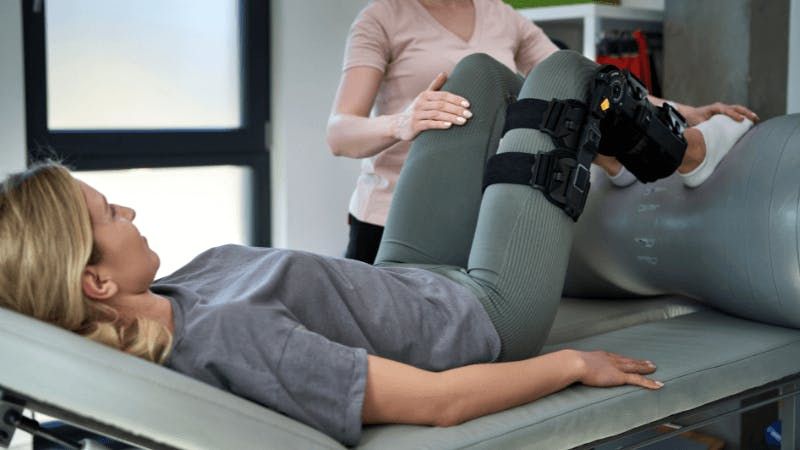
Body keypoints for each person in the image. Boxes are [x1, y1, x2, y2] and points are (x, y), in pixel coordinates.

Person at [327, 0, 759, 264]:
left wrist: (685, 111)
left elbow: (586, 80)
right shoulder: (382, 17)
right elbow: (340, 134)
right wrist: (401, 122)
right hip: (389, 221)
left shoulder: (502, 16)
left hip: (477, 217)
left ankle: (635, 155)